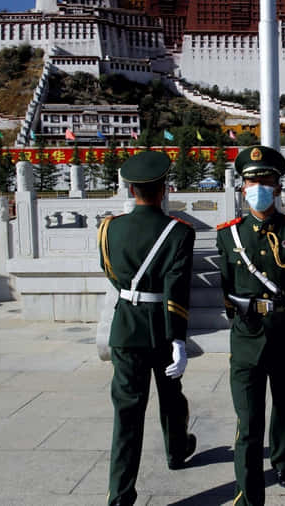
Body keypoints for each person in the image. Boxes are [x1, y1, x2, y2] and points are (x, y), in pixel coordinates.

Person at [216, 146, 285, 505]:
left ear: (278, 187)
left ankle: (283, 459)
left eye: (265, 181)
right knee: (247, 421)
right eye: (252, 181)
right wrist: (233, 311)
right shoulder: (228, 234)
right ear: (242, 187)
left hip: (284, 329)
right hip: (246, 334)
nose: (258, 187)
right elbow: (225, 280)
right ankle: (248, 495)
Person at [98, 150, 197, 506]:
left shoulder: (109, 228)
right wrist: (179, 340)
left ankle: (120, 494)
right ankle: (176, 451)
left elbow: (111, 274)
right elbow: (177, 289)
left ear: (130, 188)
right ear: (164, 188)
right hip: (161, 329)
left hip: (125, 327)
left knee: (127, 413)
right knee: (171, 397)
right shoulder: (178, 232)